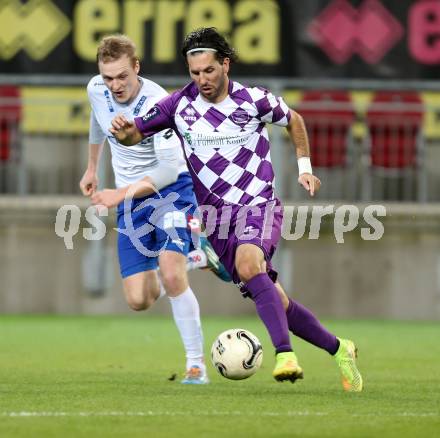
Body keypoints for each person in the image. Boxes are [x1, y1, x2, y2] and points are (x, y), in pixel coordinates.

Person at [110, 28, 363, 391]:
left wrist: (305, 169)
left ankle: (284, 355)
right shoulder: (179, 105)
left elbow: (294, 120)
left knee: (248, 264)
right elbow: (137, 132)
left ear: (225, 64)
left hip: (258, 206)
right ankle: (341, 349)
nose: (202, 80)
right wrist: (123, 132)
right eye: (195, 73)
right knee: (276, 300)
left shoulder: (253, 100)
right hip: (218, 221)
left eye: (209, 71)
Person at [80, 34, 230, 385]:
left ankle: (196, 366)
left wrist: (118, 193)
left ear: (136, 67)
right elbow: (97, 119)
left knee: (171, 274)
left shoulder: (159, 103)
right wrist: (91, 168)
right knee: (138, 299)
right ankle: (198, 256)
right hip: (132, 199)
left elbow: (166, 171)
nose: (115, 85)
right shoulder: (95, 89)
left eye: (122, 76)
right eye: (108, 78)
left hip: (172, 192)